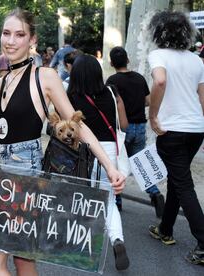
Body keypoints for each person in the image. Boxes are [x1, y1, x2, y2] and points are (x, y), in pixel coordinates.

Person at [0, 8, 125, 275]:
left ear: (31, 39)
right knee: (23, 261)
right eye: (6, 33)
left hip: (28, 178)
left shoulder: (44, 76)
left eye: (19, 34)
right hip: (1, 177)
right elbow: (3, 135)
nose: (11, 41)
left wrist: (109, 166)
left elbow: (79, 126)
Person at [147, 11, 204, 265]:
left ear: (158, 31)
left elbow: (159, 81)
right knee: (178, 180)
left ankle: (203, 243)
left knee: (183, 184)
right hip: (195, 129)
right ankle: (166, 228)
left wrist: (153, 115)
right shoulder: (196, 60)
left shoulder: (158, 55)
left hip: (171, 130)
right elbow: (203, 97)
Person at [67, 54, 130, 270]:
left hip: (83, 151)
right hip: (110, 152)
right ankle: (117, 240)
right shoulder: (111, 92)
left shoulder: (70, 97)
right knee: (109, 201)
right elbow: (122, 123)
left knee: (82, 198)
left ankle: (82, 244)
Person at [106, 46, 165, 216]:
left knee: (117, 164)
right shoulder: (139, 78)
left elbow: (110, 104)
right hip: (139, 127)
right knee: (140, 163)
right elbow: (148, 100)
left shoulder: (112, 81)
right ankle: (155, 194)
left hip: (122, 128)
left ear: (111, 62)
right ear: (128, 60)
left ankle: (117, 202)